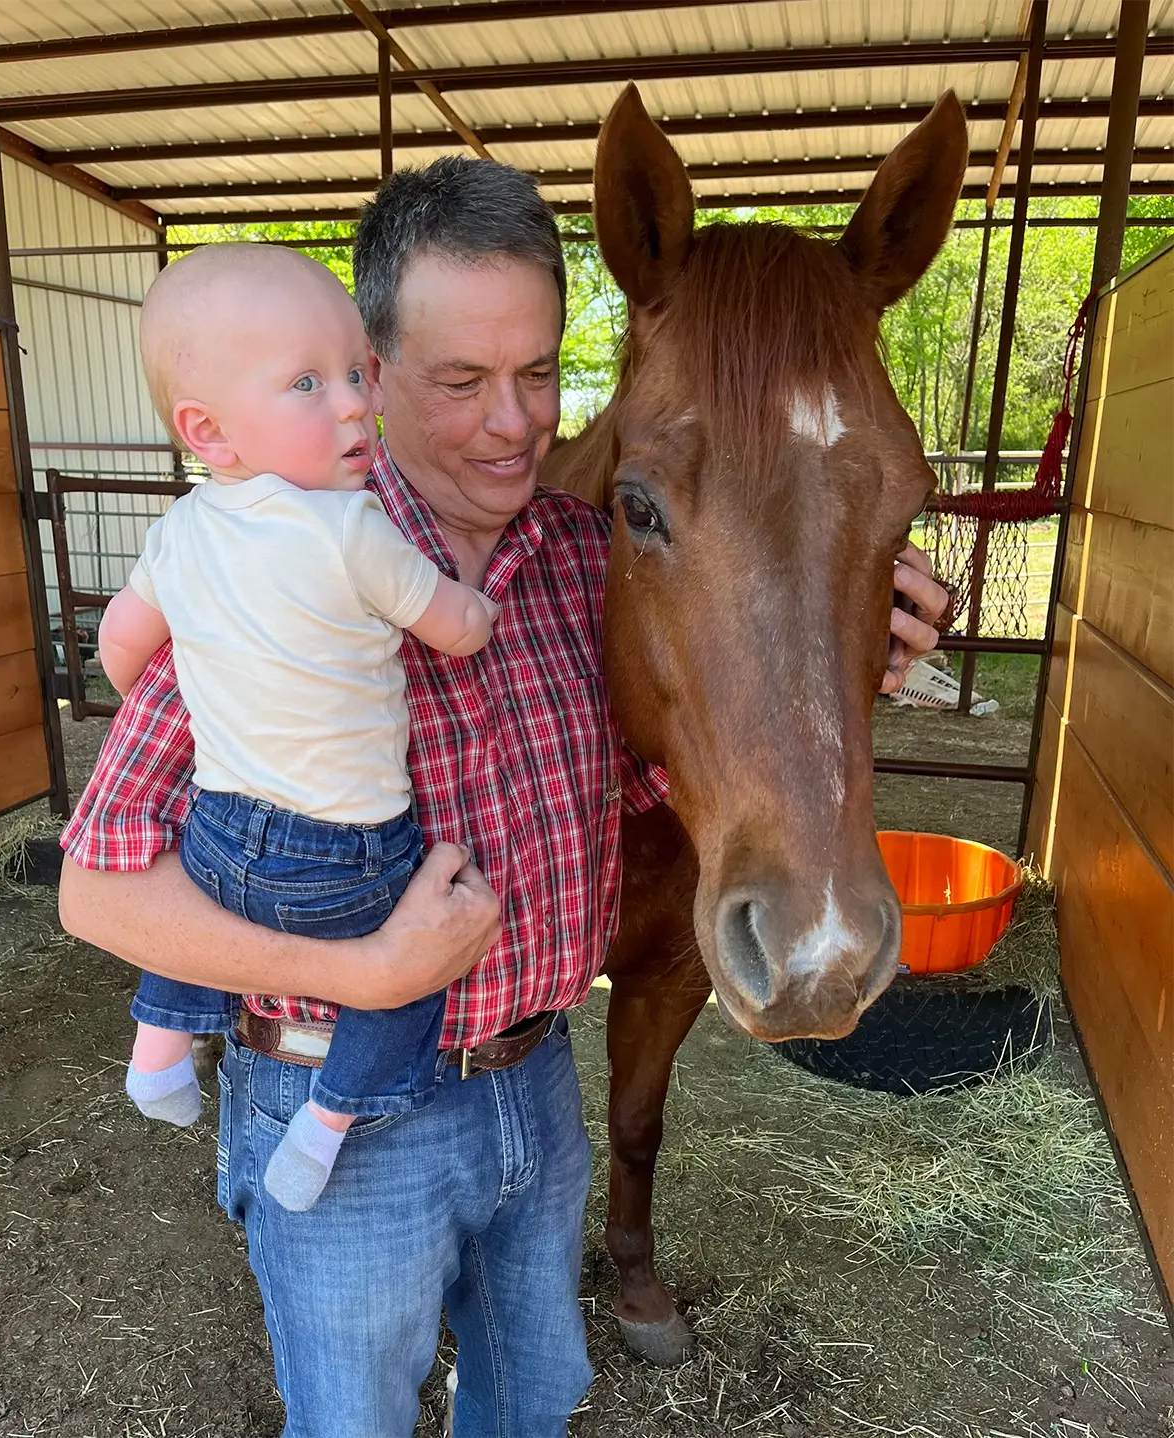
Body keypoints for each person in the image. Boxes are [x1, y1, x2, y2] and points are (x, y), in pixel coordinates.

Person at [59, 157, 949, 1438]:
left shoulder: (585, 560)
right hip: (342, 1111)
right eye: (462, 381)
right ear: (370, 370)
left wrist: (853, 641)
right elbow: (96, 884)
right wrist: (359, 971)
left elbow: (661, 751)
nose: (514, 425)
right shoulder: (273, 565)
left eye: (538, 374)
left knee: (531, 1403)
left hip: (533, 1092)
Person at [96, 244, 497, 1213]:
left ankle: (157, 1048)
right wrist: (477, 597)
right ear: (211, 430)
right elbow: (454, 630)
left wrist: (212, 666)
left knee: (204, 907)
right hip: (349, 848)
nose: (357, 401)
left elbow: (120, 650)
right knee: (409, 971)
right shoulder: (352, 527)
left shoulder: (180, 529)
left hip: (226, 824)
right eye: (308, 382)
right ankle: (327, 1121)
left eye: (359, 371)